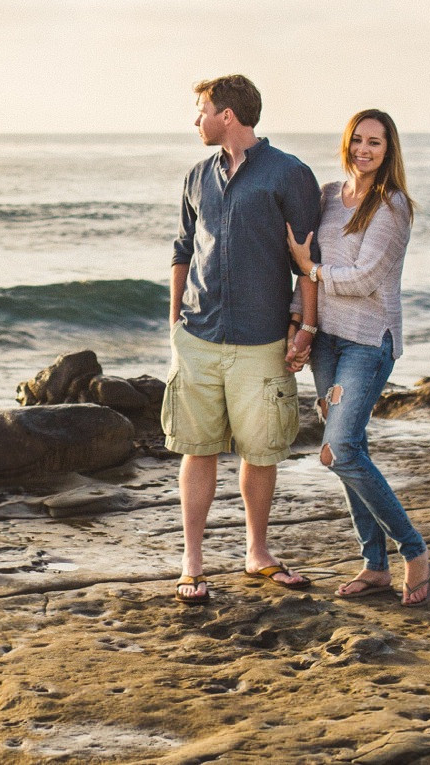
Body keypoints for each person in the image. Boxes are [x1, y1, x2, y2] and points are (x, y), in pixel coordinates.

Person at [165, 74, 323, 605]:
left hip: (261, 340)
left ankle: (257, 550)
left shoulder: (290, 175)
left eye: (201, 110)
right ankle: (192, 560)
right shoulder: (195, 177)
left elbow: (308, 261)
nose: (196, 120)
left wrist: (306, 327)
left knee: (260, 450)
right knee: (197, 446)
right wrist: (175, 324)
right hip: (199, 334)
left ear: (226, 115)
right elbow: (182, 249)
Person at [285, 107, 430, 605]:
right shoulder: (327, 196)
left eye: (376, 143)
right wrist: (298, 323)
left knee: (340, 449)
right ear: (346, 143)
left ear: (389, 152)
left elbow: (365, 278)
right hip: (327, 339)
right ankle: (374, 566)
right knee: (353, 452)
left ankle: (414, 551)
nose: (364, 150)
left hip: (369, 343)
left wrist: (314, 270)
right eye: (358, 140)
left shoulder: (393, 206)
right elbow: (308, 267)